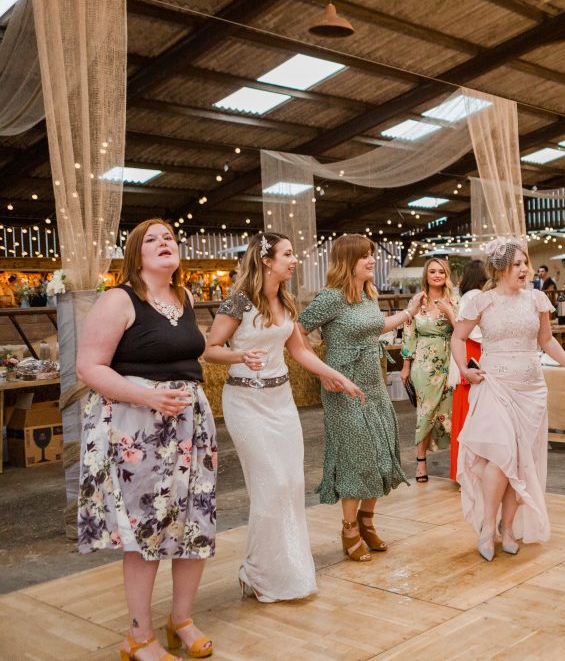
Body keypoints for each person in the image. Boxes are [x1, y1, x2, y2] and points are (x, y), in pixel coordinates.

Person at [77, 219, 216, 661]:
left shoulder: (186, 297)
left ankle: (182, 621)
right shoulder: (119, 299)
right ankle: (138, 635)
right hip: (138, 424)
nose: (163, 244)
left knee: (196, 521)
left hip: (190, 423)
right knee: (148, 528)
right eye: (151, 240)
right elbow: (89, 367)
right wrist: (149, 396)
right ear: (136, 255)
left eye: (169, 238)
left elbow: (196, 350)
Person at [204, 233, 364, 602]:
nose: (294, 260)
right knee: (270, 485)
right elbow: (210, 349)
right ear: (266, 260)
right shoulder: (239, 302)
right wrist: (239, 357)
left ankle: (276, 571)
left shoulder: (287, 302)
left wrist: (335, 375)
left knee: (290, 485)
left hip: (281, 400)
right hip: (245, 401)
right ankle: (258, 572)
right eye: (288, 254)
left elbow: (299, 352)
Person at [452, 238, 565, 561]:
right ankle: (487, 528)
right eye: (518, 264)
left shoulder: (536, 300)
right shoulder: (482, 301)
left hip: (531, 389)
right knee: (499, 456)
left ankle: (508, 528)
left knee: (521, 464)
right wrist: (465, 370)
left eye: (526, 263)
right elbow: (458, 337)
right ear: (500, 268)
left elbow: (546, 340)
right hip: (495, 385)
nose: (525, 269)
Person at [297, 235, 421, 562]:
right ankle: (349, 527)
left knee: (381, 450)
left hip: (373, 385)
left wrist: (409, 312)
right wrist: (322, 371)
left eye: (371, 255)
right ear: (346, 260)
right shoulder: (331, 298)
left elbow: (378, 326)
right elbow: (297, 331)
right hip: (342, 388)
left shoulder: (368, 294)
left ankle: (367, 522)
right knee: (357, 456)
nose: (371, 261)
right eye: (365, 256)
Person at [401, 258, 456, 483]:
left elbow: (463, 329)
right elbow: (409, 333)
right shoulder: (417, 300)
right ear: (426, 275)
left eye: (441, 272)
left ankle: (458, 463)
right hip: (423, 363)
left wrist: (450, 311)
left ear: (446, 275)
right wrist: (406, 366)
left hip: (449, 360)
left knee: (451, 411)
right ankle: (421, 461)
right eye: (432, 271)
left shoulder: (454, 299)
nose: (436, 275)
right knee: (425, 411)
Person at [450, 260, 488, 481]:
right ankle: (470, 473)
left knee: (466, 413)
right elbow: (474, 332)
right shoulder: (476, 297)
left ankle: (463, 471)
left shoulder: (467, 296)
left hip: (469, 350)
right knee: (472, 414)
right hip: (475, 352)